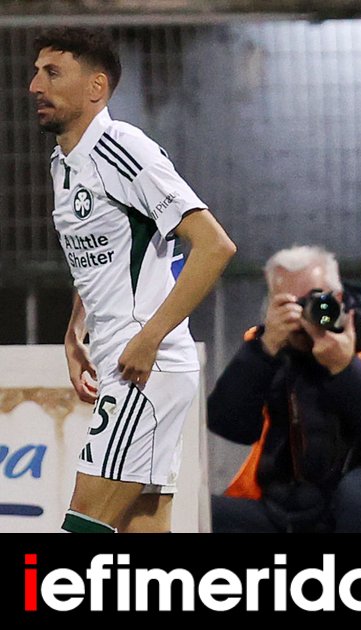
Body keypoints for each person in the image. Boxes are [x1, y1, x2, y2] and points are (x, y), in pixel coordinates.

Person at [31, 27, 236, 534]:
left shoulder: (123, 149)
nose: (35, 86)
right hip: (125, 362)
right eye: (36, 73)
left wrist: (150, 337)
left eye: (53, 73)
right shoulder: (63, 163)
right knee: (143, 533)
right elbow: (101, 252)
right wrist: (75, 330)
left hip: (143, 369)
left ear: (96, 87)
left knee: (83, 529)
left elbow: (214, 246)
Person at [208, 245, 361, 533]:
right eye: (290, 304)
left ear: (338, 298)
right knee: (197, 512)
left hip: (356, 509)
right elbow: (228, 425)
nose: (307, 313)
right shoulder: (273, 348)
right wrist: (263, 351)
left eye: (316, 299)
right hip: (283, 510)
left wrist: (345, 368)